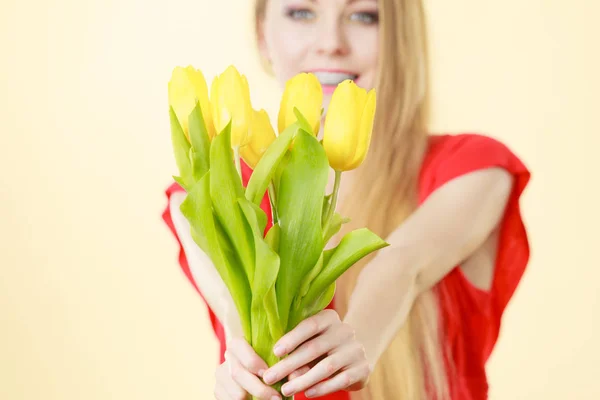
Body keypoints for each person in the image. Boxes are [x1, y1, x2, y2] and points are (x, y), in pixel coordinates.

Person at [162, 0, 531, 399]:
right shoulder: (210, 197)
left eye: (363, 15)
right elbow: (229, 304)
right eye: (302, 13)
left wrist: (358, 343)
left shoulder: (475, 171)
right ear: (262, 34)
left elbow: (401, 264)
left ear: (400, 37)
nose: (331, 43)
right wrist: (244, 368)